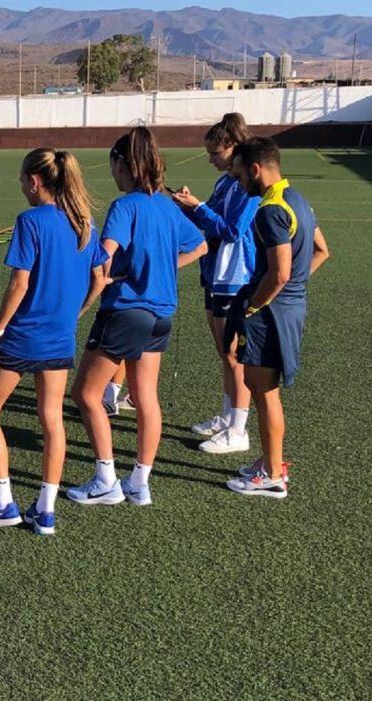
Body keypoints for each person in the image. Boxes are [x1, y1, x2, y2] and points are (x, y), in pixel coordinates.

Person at [0, 149, 106, 536]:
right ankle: (45, 510)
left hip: (22, 337)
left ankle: (2, 502)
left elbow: (19, 283)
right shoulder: (84, 223)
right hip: (59, 340)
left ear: (35, 181)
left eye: (22, 179)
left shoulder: (31, 221)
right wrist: (73, 314)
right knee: (52, 420)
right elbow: (99, 277)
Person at [67, 127, 207, 507]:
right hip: (161, 315)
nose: (112, 173)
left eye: (113, 165)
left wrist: (98, 287)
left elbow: (104, 257)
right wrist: (162, 268)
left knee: (85, 393)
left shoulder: (125, 206)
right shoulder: (165, 204)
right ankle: (139, 482)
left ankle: (105, 479)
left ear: (123, 165)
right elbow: (201, 244)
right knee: (146, 397)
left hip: (127, 311)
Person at [225, 137, 330, 498]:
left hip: (270, 314)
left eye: (240, 175)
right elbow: (321, 251)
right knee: (263, 391)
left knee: (264, 393)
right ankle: (270, 460)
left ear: (255, 169)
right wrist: (293, 290)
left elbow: (280, 273)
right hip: (289, 308)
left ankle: (272, 475)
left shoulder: (271, 209)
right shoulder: (298, 200)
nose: (239, 183)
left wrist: (254, 306)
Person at [171, 113, 260, 454]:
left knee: (234, 354)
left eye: (214, 153)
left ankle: (238, 429)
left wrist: (200, 209)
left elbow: (233, 230)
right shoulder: (226, 182)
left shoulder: (246, 187)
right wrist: (190, 208)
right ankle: (227, 416)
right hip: (215, 273)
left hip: (234, 275)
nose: (210, 159)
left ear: (233, 148)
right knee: (225, 353)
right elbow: (212, 221)